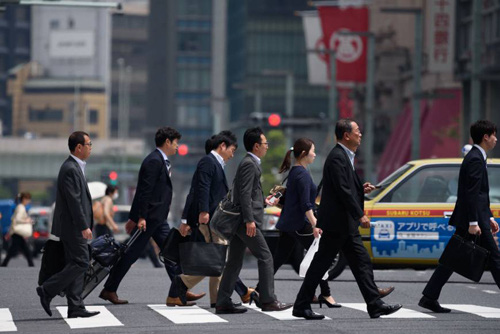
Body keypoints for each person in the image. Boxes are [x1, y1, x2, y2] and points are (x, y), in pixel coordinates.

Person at [292, 119, 403, 320]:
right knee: (323, 265)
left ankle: (374, 304)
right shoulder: (337, 157)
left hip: (343, 224)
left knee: (361, 263)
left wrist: (360, 188)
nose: (361, 134)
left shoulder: (344, 156)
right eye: (357, 131)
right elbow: (342, 190)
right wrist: (360, 214)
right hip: (337, 223)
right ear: (346, 135)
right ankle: (301, 305)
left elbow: (343, 186)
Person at [99, 127, 204, 305]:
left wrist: (134, 217)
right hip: (149, 219)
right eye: (176, 142)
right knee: (130, 254)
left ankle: (180, 291)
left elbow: (142, 191)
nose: (178, 146)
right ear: (167, 142)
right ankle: (109, 289)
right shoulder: (154, 161)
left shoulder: (160, 161)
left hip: (158, 219)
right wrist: (139, 217)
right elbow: (144, 191)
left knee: (172, 253)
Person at [419, 120, 500, 313]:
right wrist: (474, 222)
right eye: (494, 135)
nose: (496, 139)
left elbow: (479, 194)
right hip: (472, 220)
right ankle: (429, 296)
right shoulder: (475, 158)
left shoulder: (478, 157)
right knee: (495, 258)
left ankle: (429, 296)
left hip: (476, 218)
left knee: (452, 257)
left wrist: (487, 216)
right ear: (485, 137)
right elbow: (471, 193)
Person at [170, 131, 254, 307]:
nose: (232, 154)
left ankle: (217, 298)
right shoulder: (208, 161)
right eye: (231, 149)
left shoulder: (215, 163)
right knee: (218, 259)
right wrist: (203, 211)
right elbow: (202, 188)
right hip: (211, 219)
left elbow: (197, 191)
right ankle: (184, 284)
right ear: (222, 146)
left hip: (215, 218)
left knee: (217, 259)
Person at [215, 127, 292, 314]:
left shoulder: (249, 162)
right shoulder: (250, 163)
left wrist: (263, 202)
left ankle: (223, 301)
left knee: (234, 261)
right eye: (265, 144)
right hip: (244, 221)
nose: (267, 147)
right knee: (266, 257)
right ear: (256, 146)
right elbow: (244, 194)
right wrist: (250, 220)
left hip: (240, 220)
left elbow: (249, 194)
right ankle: (268, 300)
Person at [255, 138, 339, 308]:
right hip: (299, 224)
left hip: (288, 222)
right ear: (303, 154)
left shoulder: (295, 171)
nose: (315, 154)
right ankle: (325, 293)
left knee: (279, 259)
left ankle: (258, 290)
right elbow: (305, 204)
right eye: (313, 151)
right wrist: (315, 224)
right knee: (320, 255)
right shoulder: (301, 174)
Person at [36, 131, 99, 318]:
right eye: (89, 144)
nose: (90, 147)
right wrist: (83, 226)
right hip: (73, 227)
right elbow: (74, 201)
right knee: (81, 262)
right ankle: (47, 289)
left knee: (76, 262)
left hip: (74, 226)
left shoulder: (75, 167)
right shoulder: (70, 168)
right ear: (78, 147)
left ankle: (75, 306)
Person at [1, 192, 34, 267]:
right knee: (21, 249)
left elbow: (13, 220)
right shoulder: (21, 207)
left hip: (16, 232)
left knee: (20, 249)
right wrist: (27, 221)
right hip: (17, 232)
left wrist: (9, 233)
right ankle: (31, 264)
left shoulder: (19, 207)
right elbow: (17, 219)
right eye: (28, 199)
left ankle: (4, 263)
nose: (29, 201)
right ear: (24, 199)